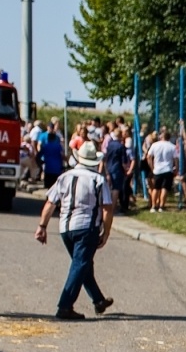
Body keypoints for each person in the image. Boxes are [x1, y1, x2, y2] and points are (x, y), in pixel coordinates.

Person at [36, 141, 116, 321]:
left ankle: (98, 300)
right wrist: (106, 232)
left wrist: (42, 226)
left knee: (83, 264)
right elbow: (107, 209)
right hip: (87, 227)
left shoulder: (64, 177)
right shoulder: (98, 179)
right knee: (80, 265)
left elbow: (50, 203)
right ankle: (64, 306)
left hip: (65, 228)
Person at [102, 125, 131, 215]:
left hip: (109, 167)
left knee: (108, 188)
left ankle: (106, 208)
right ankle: (112, 209)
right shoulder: (121, 146)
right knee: (116, 189)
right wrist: (126, 170)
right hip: (117, 168)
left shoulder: (109, 145)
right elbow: (123, 162)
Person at [147, 132, 178, 213]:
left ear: (161, 137)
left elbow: (149, 156)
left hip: (157, 169)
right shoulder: (172, 146)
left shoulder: (155, 145)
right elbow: (175, 159)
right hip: (168, 169)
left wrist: (152, 167)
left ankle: (153, 206)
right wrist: (176, 168)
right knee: (165, 188)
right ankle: (161, 206)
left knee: (156, 188)